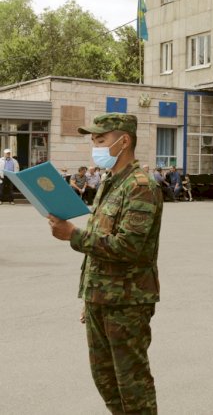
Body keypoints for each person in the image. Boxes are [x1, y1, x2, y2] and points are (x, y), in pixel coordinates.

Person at [47, 112, 163, 415]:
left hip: (127, 301)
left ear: (123, 141)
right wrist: (89, 294)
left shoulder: (141, 186)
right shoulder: (111, 182)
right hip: (101, 296)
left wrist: (73, 235)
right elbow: (101, 240)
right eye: (93, 141)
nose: (94, 147)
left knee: (132, 384)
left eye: (100, 140)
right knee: (106, 380)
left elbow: (128, 247)